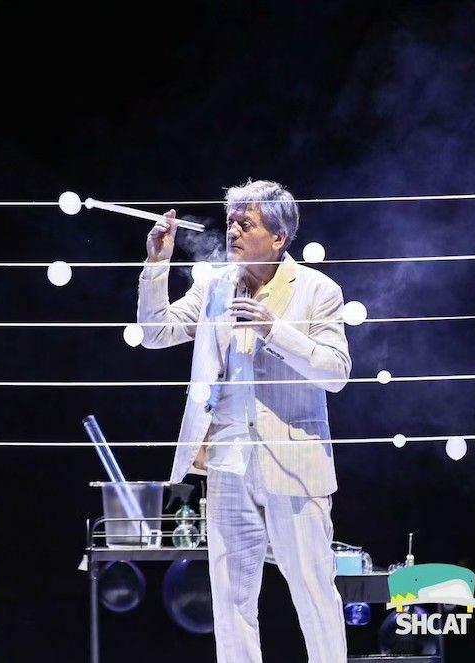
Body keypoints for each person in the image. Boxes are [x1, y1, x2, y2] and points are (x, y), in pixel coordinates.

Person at [137, 180, 351, 662]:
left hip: (294, 466)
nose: (232, 230)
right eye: (231, 221)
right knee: (231, 601)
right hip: (227, 462)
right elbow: (155, 333)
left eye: (245, 223)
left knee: (313, 591)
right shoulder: (214, 285)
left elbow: (336, 373)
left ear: (278, 237)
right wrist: (157, 265)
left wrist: (273, 329)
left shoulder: (318, 290)